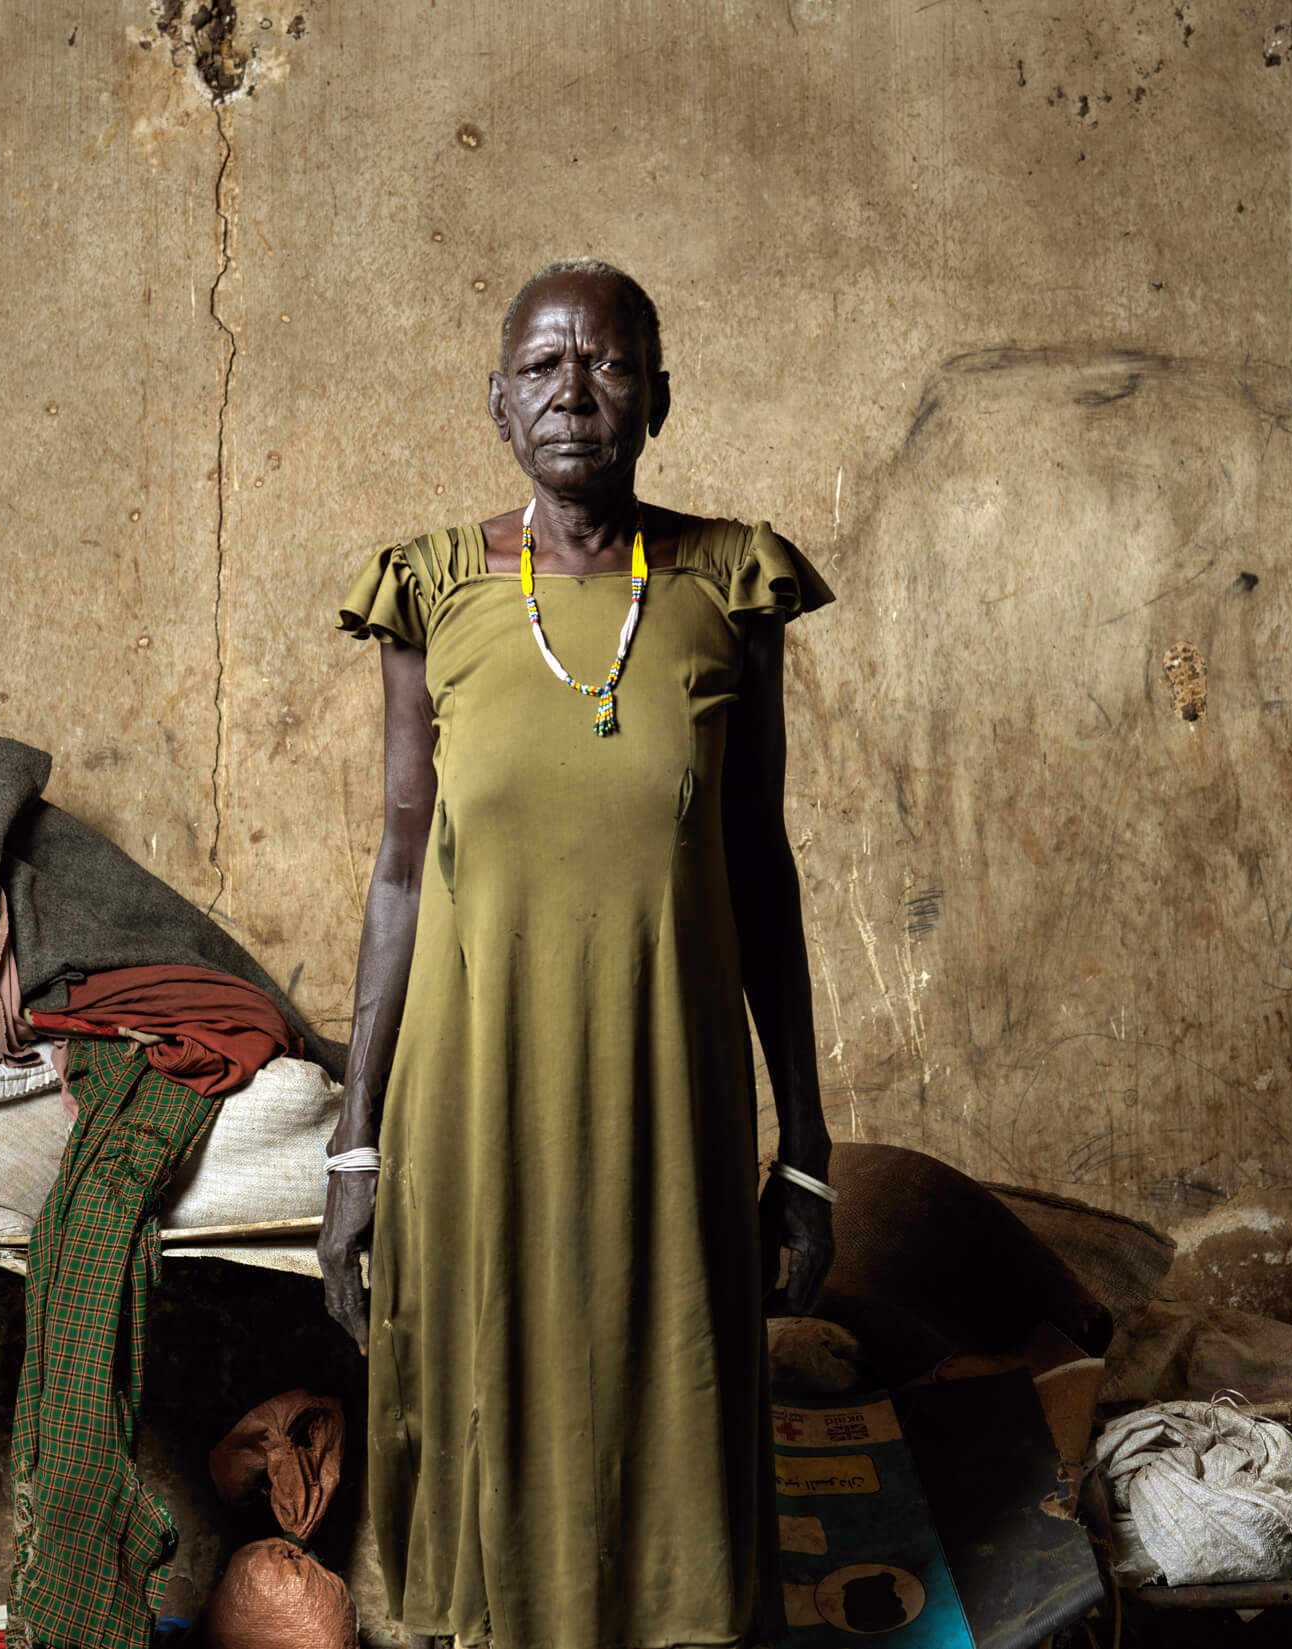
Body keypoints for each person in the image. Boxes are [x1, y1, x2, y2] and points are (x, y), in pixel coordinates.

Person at [322, 258, 836, 1649]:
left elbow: (759, 869)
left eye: (606, 364)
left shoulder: (732, 581)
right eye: (542, 366)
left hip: (668, 1100)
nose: (573, 391)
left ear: (656, 398)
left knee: (670, 1410)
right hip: (477, 1098)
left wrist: (806, 1142)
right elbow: (397, 867)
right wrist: (355, 1150)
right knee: (494, 1412)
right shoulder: (432, 590)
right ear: (498, 402)